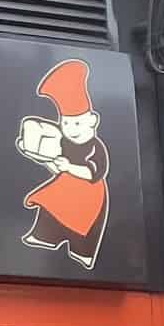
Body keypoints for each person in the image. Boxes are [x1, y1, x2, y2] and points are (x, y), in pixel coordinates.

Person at [16, 59, 110, 270]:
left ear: (93, 121)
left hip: (89, 193)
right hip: (65, 184)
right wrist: (38, 156)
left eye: (77, 122)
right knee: (49, 207)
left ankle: (82, 253)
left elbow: (93, 172)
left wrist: (68, 167)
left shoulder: (95, 146)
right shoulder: (64, 142)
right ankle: (45, 238)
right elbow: (57, 166)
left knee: (84, 224)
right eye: (66, 123)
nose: (71, 128)